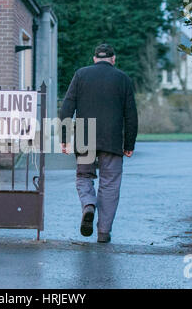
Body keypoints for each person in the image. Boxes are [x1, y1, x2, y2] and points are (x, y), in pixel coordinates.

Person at [59, 43, 138, 243]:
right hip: (112, 140)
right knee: (110, 185)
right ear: (113, 59)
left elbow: (67, 107)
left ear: (94, 58)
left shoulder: (81, 75)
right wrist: (129, 143)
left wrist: (64, 138)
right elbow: (131, 115)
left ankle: (88, 205)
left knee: (83, 176)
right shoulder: (123, 79)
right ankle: (103, 232)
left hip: (85, 137)